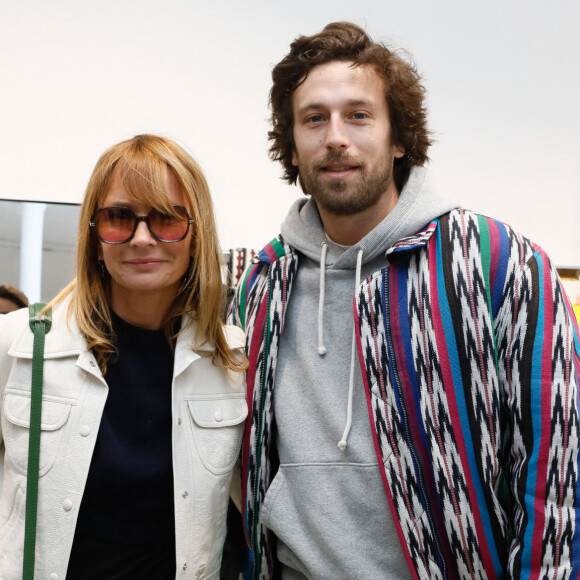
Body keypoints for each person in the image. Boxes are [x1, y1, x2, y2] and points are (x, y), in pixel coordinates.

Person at [229, 22, 580, 579]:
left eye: (359, 115)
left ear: (398, 140)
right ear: (292, 147)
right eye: (314, 118)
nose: (335, 136)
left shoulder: (501, 263)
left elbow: (558, 474)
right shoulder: (262, 286)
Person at [0, 134, 247, 579]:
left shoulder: (231, 362)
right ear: (94, 235)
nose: (141, 238)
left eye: (167, 218)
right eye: (118, 217)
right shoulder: (21, 343)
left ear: (197, 234)